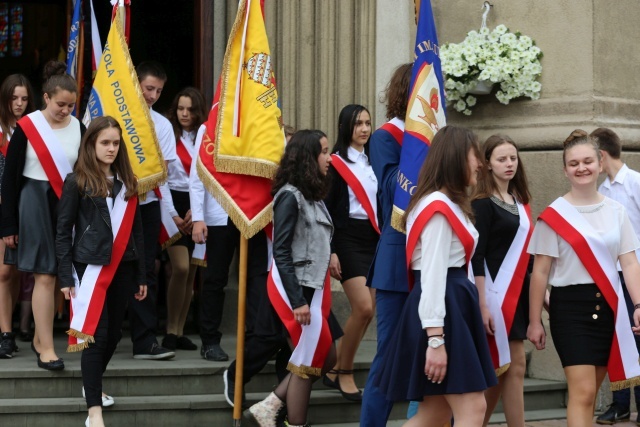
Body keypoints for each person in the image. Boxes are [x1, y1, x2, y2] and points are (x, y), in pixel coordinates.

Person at [374, 125, 497, 427]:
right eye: (474, 156)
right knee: (472, 407)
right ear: (456, 158)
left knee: (436, 413)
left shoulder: (443, 204)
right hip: (444, 309)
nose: (479, 164)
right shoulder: (438, 208)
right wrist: (435, 340)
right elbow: (431, 276)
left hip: (451, 305)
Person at [527, 130, 640, 427]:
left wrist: (639, 304)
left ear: (600, 163)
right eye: (574, 163)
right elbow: (539, 272)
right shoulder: (554, 215)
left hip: (609, 309)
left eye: (588, 161)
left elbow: (629, 262)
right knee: (584, 390)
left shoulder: (617, 211)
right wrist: (535, 320)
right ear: (565, 170)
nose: (582, 168)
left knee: (591, 395)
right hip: (570, 309)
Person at [243, 130, 340, 427]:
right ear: (308, 157)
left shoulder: (313, 196)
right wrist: (297, 301)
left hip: (314, 289)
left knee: (325, 358)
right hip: (296, 292)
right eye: (323, 151)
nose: (329, 157)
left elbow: (312, 238)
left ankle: (270, 404)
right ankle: (296, 422)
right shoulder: (289, 196)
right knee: (307, 362)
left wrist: (331, 253)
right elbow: (281, 251)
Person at [56, 116, 146, 427]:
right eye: (104, 142)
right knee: (96, 335)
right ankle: (94, 412)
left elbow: (137, 232)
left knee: (113, 338)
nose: (110, 148)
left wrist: (142, 275)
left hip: (123, 267)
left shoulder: (127, 183)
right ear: (92, 144)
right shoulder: (76, 181)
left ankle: (90, 385)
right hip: (89, 266)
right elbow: (63, 231)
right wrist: (65, 276)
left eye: (115, 143)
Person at [1, 61, 85, 370]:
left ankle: (41, 341)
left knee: (58, 275)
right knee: (45, 274)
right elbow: (9, 179)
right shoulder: (27, 127)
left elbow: (84, 170)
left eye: (71, 105)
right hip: (33, 202)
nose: (66, 110)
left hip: (66, 205)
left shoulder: (79, 127)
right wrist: (7, 224)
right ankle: (47, 347)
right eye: (60, 104)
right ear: (47, 98)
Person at [361, 62, 413, 426]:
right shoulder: (385, 136)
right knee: (390, 353)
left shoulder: (437, 136)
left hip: (435, 254)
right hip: (398, 258)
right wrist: (421, 152)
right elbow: (392, 187)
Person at [471, 135, 532, 426]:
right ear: (487, 164)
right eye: (501, 159)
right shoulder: (482, 204)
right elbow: (476, 256)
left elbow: (526, 257)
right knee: (502, 367)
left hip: (516, 296)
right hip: (492, 296)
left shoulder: (520, 202)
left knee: (511, 367)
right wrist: (482, 304)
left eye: (513, 158)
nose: (509, 164)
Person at [323, 104, 378, 401]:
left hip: (373, 238)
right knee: (364, 308)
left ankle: (332, 371)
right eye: (358, 123)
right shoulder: (334, 164)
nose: (365, 129)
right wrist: (331, 251)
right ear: (347, 127)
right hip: (346, 239)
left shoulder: (374, 163)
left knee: (368, 312)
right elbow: (326, 210)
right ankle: (345, 372)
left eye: (368, 123)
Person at [587, 128, 640, 426]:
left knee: (638, 339)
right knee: (616, 339)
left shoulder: (635, 183)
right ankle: (619, 404)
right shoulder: (602, 189)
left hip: (635, 274)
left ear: (602, 155)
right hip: (609, 276)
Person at [129, 60, 177, 360]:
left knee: (146, 269)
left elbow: (165, 173)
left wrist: (168, 211)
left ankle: (144, 341)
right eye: (149, 88)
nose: (152, 95)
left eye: (158, 91)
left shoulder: (162, 125)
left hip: (146, 206)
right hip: (111, 206)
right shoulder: (115, 114)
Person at [161, 87, 207, 351]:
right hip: (173, 205)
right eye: (180, 108)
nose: (185, 114)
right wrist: (174, 214)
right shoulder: (168, 134)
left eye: (190, 109)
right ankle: (169, 328)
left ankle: (179, 331)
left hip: (198, 204)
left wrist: (197, 210)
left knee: (191, 272)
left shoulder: (205, 137)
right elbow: (162, 178)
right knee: (178, 267)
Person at [0, 74, 35, 358]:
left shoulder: (33, 129)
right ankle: (6, 333)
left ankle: (10, 328)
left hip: (24, 207)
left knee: (15, 272)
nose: (19, 104)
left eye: (24, 99)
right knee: (3, 272)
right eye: (14, 98)